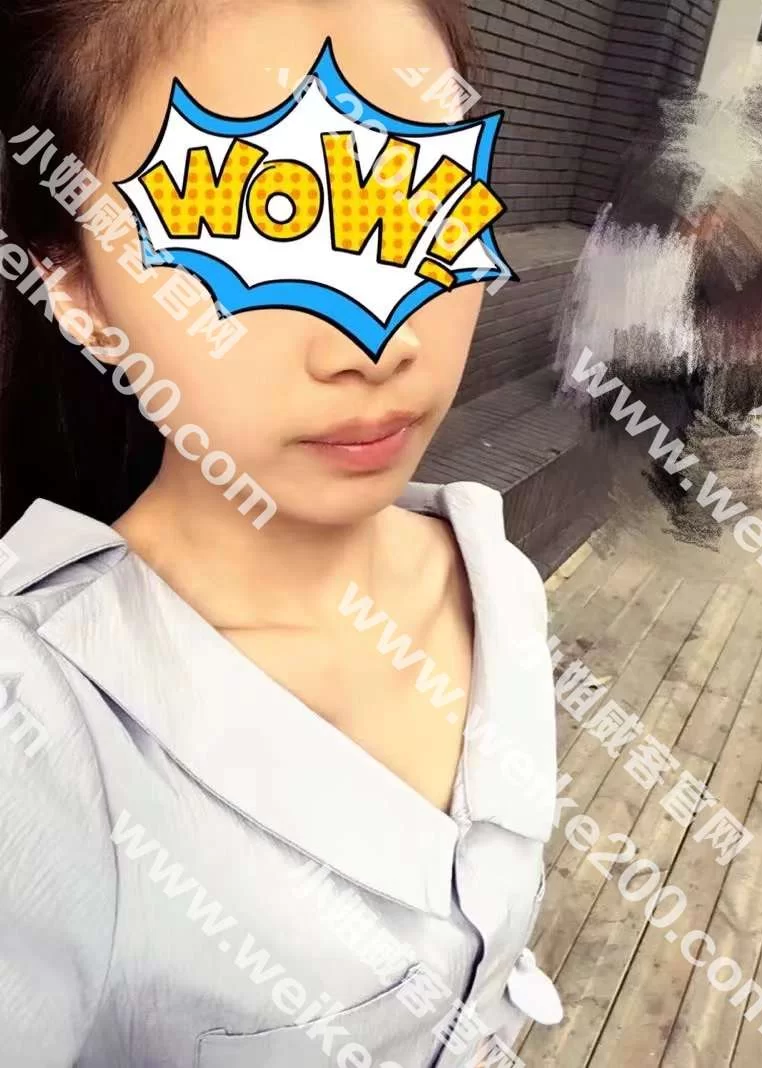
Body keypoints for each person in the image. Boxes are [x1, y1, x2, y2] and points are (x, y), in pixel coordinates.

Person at [0, 2, 561, 1066]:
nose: (369, 344)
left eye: (412, 202)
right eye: (252, 221)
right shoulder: (37, 741)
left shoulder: (497, 581)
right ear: (74, 286)